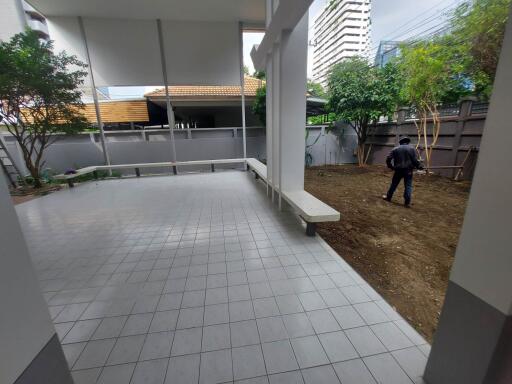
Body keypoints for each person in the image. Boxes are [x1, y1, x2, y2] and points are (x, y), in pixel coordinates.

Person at [383, 136, 423, 207]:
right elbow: (414, 160)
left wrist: (391, 167)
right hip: (408, 170)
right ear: (408, 142)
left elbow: (388, 159)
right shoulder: (412, 148)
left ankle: (388, 197)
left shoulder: (395, 149)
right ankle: (407, 202)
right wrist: (419, 166)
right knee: (408, 186)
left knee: (394, 184)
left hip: (398, 170)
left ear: (400, 142)